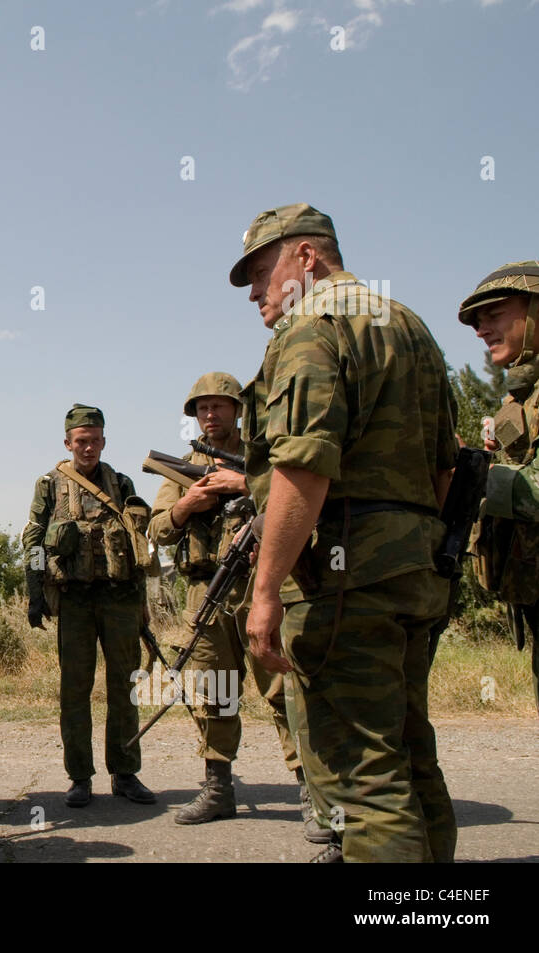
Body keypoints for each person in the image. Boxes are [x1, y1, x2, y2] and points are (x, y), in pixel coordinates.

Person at [234, 203, 458, 863]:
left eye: (260, 270)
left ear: (306, 257)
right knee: (412, 755)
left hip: (345, 580)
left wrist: (267, 586)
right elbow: (447, 465)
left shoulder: (313, 328)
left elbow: (303, 466)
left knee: (364, 775)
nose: (254, 291)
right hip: (417, 572)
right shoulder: (411, 325)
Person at [148, 373, 325, 841]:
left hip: (262, 589)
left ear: (237, 411)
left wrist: (244, 482)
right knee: (215, 693)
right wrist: (189, 502)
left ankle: (311, 793)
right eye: (203, 408)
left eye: (220, 406)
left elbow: (299, 497)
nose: (211, 415)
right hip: (204, 594)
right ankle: (218, 787)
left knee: (282, 691)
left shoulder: (264, 459)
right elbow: (158, 530)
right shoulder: (182, 467)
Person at [23, 404, 156, 809]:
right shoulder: (49, 484)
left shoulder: (122, 482)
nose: (89, 447)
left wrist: (143, 607)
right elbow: (32, 542)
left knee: (125, 688)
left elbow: (137, 545)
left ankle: (125, 772)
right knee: (75, 691)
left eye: (95, 440)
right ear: (68, 443)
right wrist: (34, 592)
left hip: (120, 600)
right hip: (75, 602)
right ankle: (80, 777)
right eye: (81, 441)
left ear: (103, 442)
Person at [458, 261, 539, 713]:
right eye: (476, 320)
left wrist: (477, 477)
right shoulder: (521, 396)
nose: (480, 328)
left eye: (494, 313)